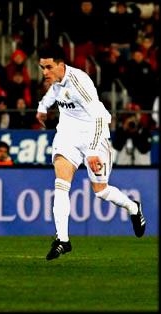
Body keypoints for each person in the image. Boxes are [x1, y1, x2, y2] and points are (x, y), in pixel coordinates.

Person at [35, 45, 145, 261]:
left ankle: (133, 207)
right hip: (67, 135)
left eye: (48, 67)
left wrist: (93, 151)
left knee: (101, 191)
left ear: (61, 65)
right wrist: (43, 106)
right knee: (61, 184)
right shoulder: (56, 80)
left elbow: (99, 117)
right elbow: (53, 91)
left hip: (94, 135)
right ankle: (63, 240)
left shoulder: (80, 82)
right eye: (42, 67)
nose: (44, 72)